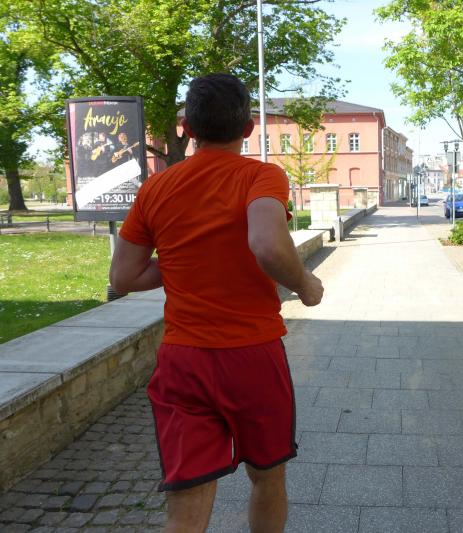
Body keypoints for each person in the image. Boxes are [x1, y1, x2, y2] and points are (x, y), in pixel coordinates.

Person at [109, 73, 324, 533]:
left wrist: (183, 255)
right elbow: (267, 244)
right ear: (248, 129)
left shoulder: (156, 187)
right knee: (267, 476)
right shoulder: (261, 176)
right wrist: (305, 285)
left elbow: (122, 277)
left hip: (183, 360)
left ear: (187, 127)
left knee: (186, 506)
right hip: (253, 356)